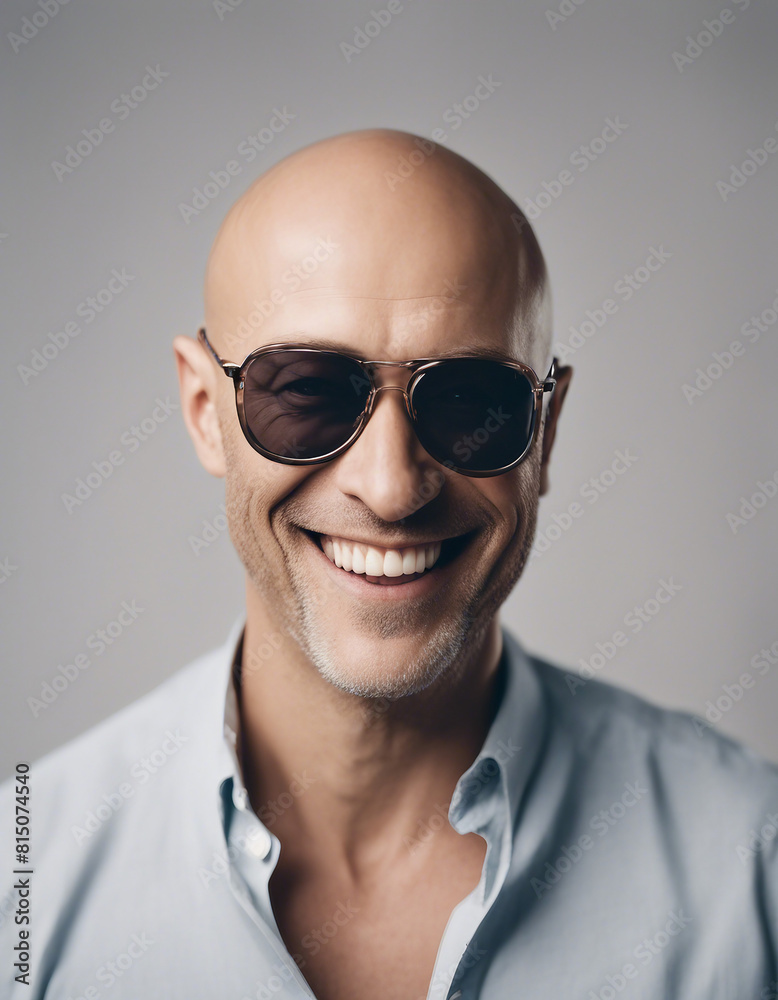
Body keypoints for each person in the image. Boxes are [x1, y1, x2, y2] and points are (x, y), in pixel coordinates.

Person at [2, 128, 776, 1000]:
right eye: (308, 390)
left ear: (545, 431)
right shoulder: (22, 888)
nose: (392, 486)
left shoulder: (752, 869)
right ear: (203, 409)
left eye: (472, 400)